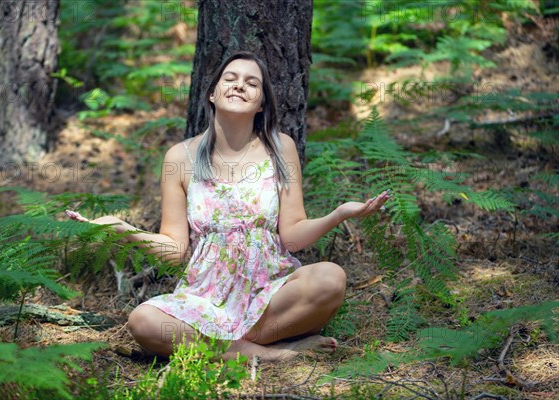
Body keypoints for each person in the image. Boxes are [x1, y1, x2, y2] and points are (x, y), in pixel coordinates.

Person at [66, 51, 389, 361]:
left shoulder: (281, 148)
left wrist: (339, 214)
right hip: (205, 297)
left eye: (252, 83)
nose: (239, 85)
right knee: (144, 321)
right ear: (211, 93)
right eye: (230, 78)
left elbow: (291, 237)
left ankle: (226, 347)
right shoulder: (180, 158)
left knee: (329, 278)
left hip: (271, 293)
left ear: (262, 102)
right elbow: (174, 249)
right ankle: (268, 353)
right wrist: (123, 230)